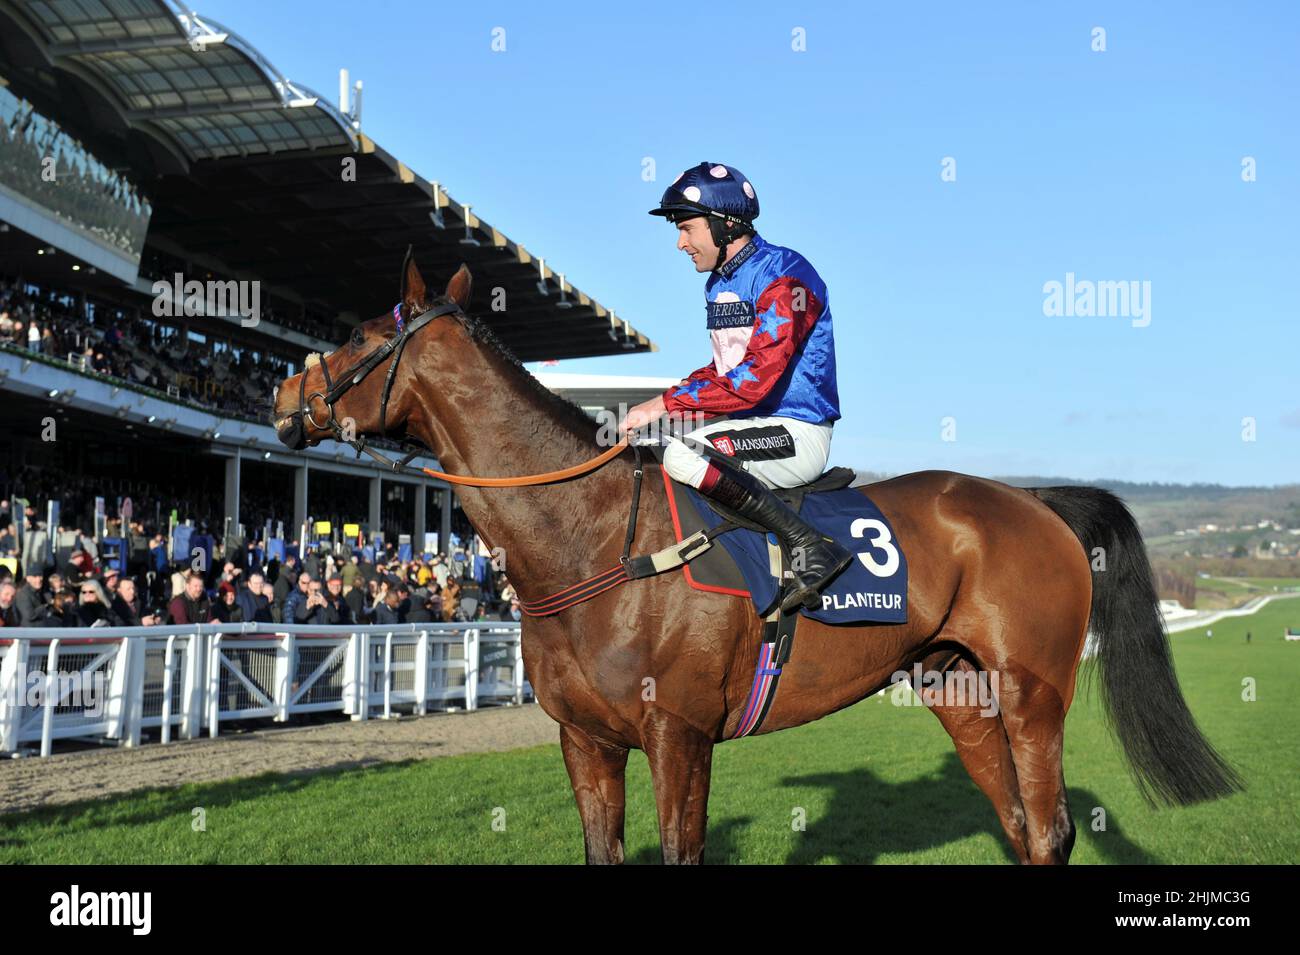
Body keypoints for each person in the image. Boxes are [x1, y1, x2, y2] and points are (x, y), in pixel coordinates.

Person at [631, 162, 850, 613]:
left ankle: (808, 543)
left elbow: (754, 381)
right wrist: (656, 408)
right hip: (751, 428)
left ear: (724, 224)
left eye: (687, 228)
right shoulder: (719, 284)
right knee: (652, 449)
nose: (680, 243)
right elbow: (723, 372)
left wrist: (665, 403)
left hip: (796, 431)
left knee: (682, 454)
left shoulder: (787, 274)